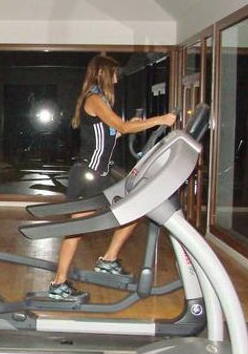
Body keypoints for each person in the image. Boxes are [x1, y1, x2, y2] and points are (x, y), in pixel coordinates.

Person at [48, 55, 176, 300]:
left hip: (101, 173)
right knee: (76, 230)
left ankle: (108, 259)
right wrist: (160, 120)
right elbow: (123, 128)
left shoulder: (101, 100)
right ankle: (58, 284)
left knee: (137, 207)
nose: (117, 77)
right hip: (88, 175)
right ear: (103, 73)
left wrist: (129, 126)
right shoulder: (94, 99)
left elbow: (112, 135)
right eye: (114, 73)